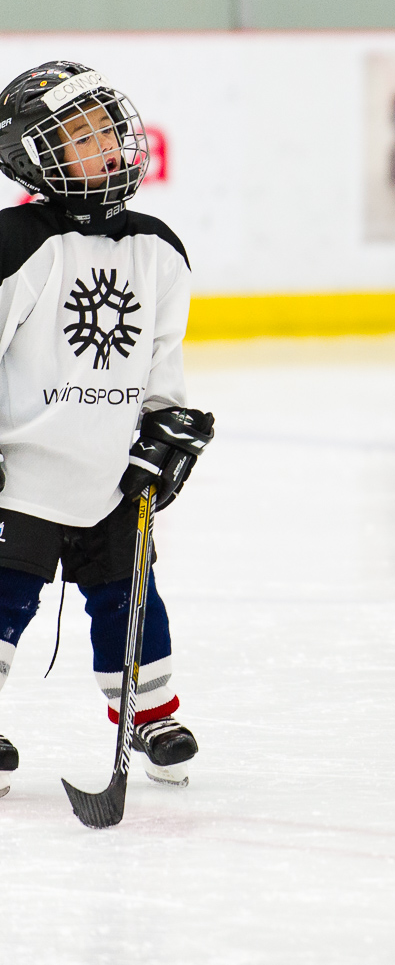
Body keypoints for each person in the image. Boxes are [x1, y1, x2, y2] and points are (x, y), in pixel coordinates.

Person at [0, 62, 215, 797]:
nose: (107, 146)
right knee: (4, 598)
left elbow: (161, 360)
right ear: (32, 154)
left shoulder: (157, 247)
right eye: (82, 135)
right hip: (21, 476)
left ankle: (150, 715)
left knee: (130, 599)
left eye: (108, 130)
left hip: (111, 474)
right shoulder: (16, 242)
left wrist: (166, 425)